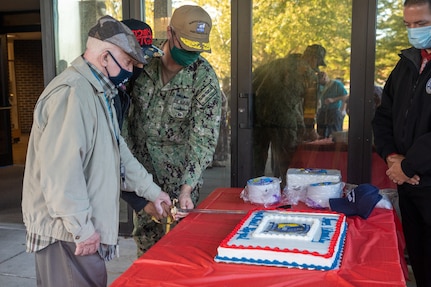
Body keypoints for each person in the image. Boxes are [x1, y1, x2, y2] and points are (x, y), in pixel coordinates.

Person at [21, 15, 171, 287]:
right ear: (105, 57)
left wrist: (152, 192)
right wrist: (83, 229)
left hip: (76, 231)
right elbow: (60, 174)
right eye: (127, 62)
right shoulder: (73, 94)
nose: (131, 70)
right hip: (67, 235)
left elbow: (118, 152)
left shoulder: (98, 93)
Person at [122, 5, 222, 256]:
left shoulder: (204, 78)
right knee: (146, 242)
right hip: (140, 171)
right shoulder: (141, 55)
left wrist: (187, 188)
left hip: (180, 176)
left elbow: (203, 139)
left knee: (180, 247)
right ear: (170, 33)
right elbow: (119, 105)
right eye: (186, 45)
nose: (191, 54)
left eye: (197, 49)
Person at [372, 1, 431, 286]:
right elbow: (384, 116)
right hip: (408, 183)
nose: (413, 31)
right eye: (408, 25)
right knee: (419, 262)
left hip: (424, 177)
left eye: (421, 24)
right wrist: (392, 157)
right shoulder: (406, 64)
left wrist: (409, 165)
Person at [252, 45, 326, 184]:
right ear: (314, 58)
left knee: (256, 164)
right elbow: (310, 107)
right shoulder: (309, 74)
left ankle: (256, 191)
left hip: (258, 118)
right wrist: (310, 130)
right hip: (284, 124)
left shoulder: (275, 64)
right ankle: (287, 196)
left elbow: (254, 81)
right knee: (288, 165)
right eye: (317, 62)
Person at [316, 71, 349, 138]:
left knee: (334, 133)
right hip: (323, 111)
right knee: (321, 133)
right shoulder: (320, 86)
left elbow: (345, 96)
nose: (320, 83)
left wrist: (333, 100)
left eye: (321, 81)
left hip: (334, 111)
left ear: (325, 77)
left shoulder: (337, 84)